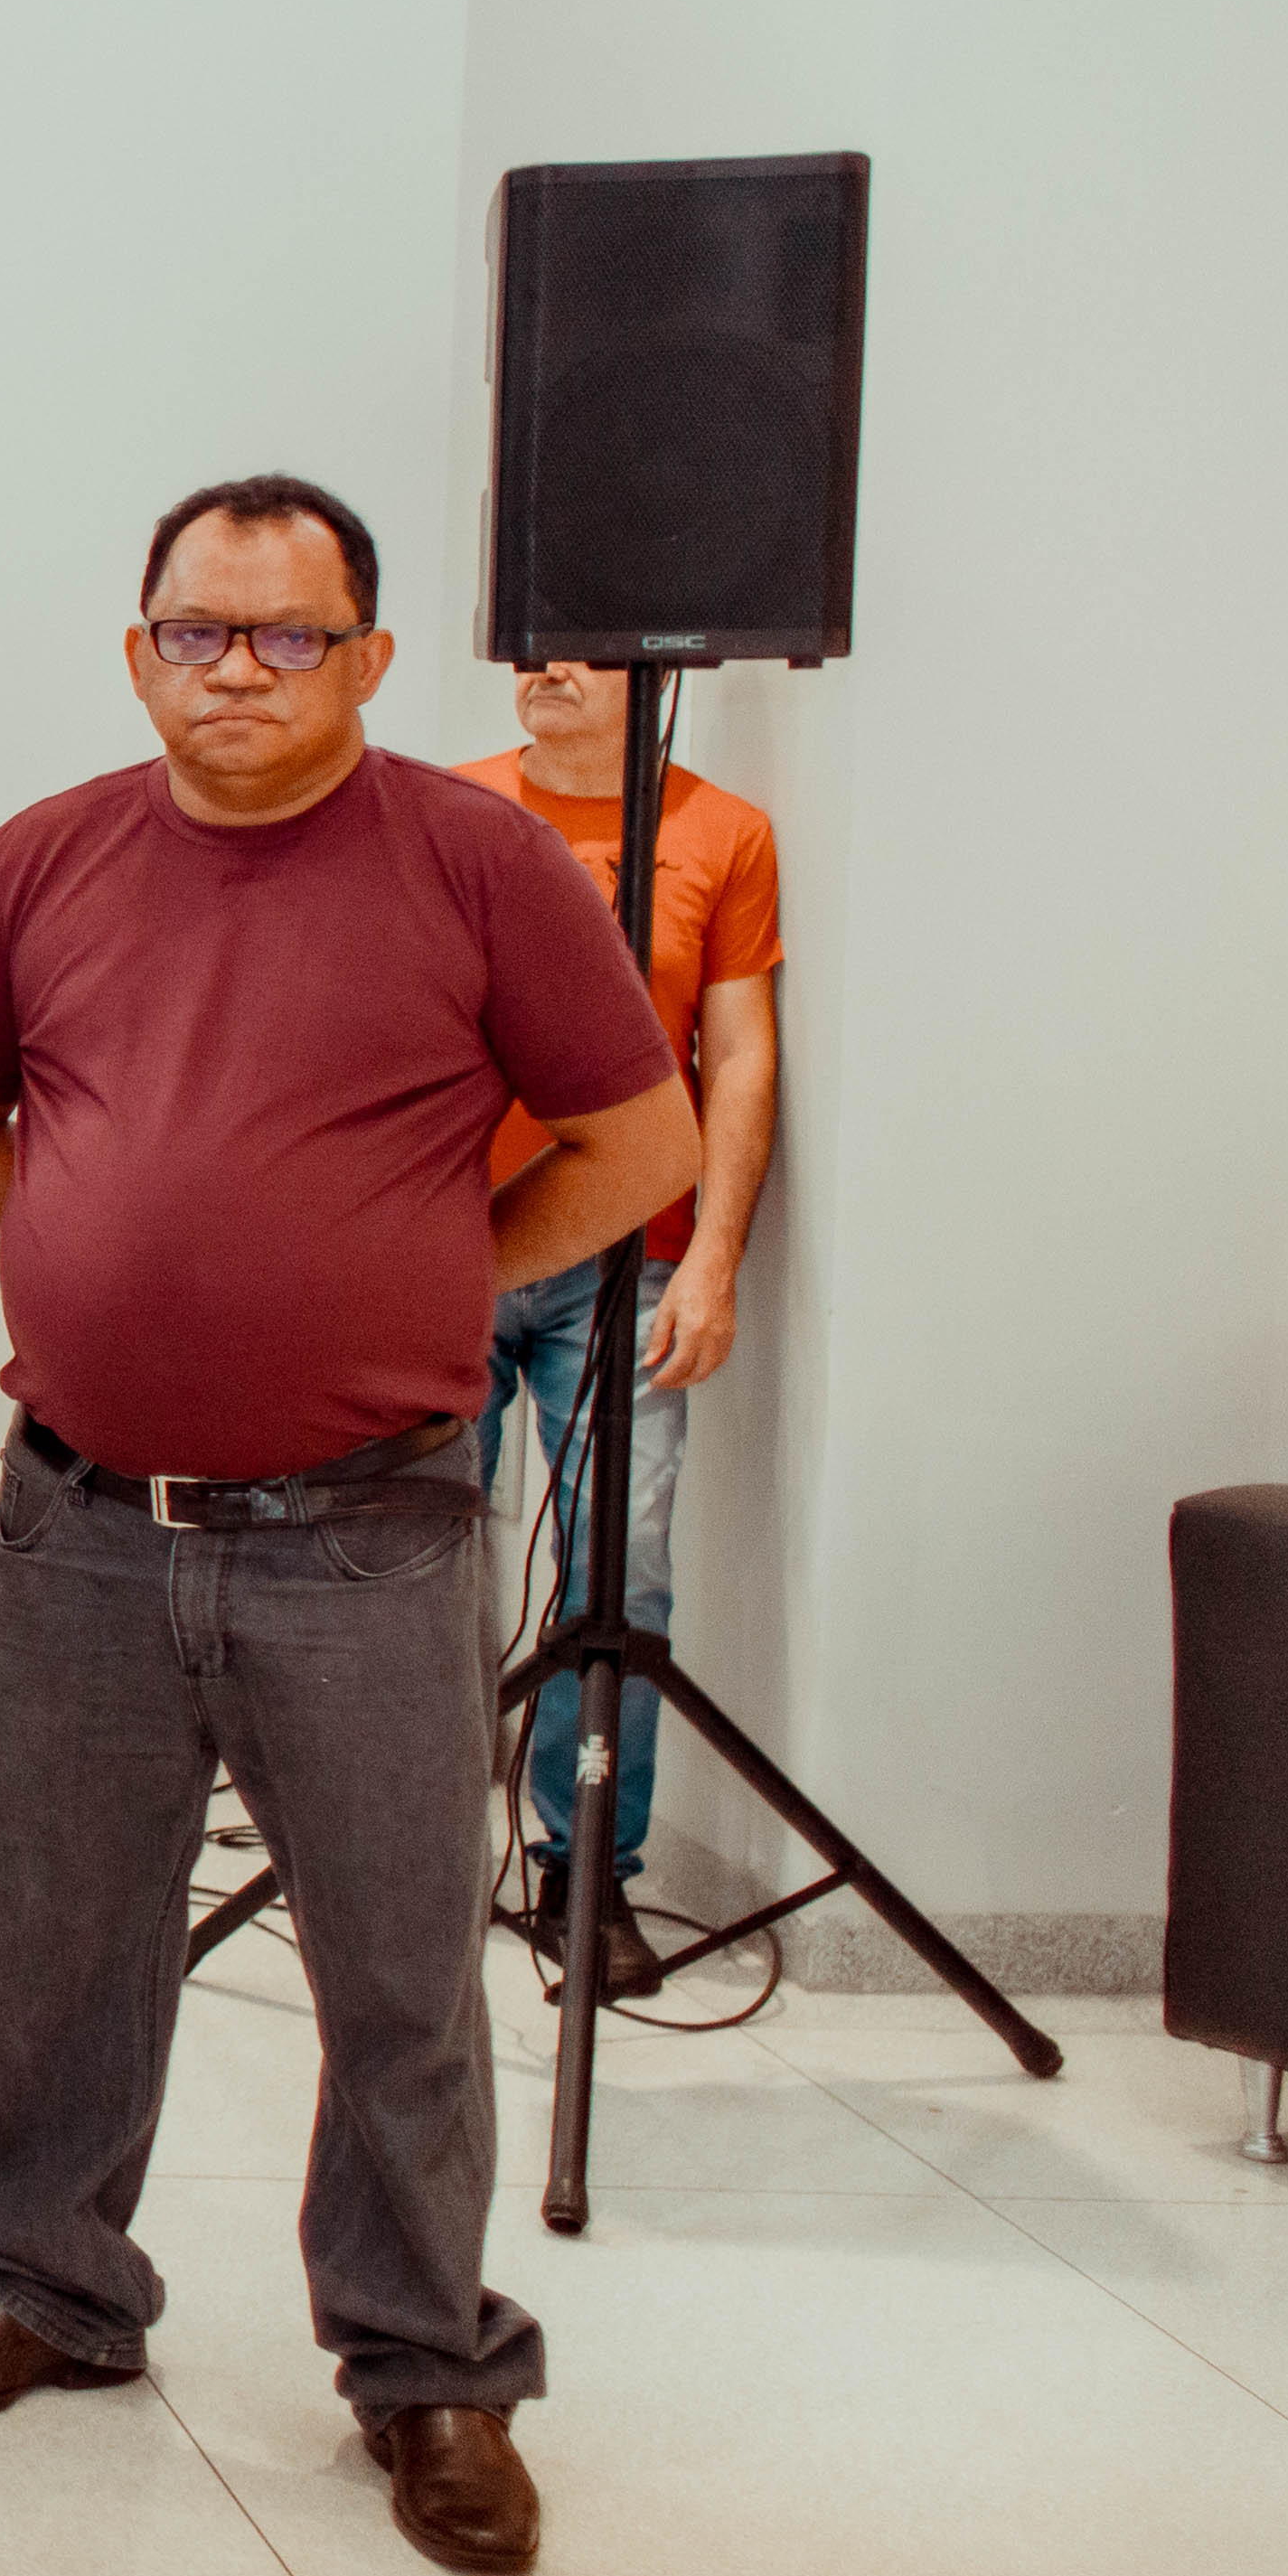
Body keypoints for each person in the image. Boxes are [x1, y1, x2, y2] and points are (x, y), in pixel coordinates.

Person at [0, 473, 694, 2576]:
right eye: (192, 630)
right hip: (78, 1524)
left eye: (283, 633)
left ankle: (424, 2367)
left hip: (364, 1538)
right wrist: (91, 1227)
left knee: (397, 1971)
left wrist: (437, 1268)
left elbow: (636, 1137)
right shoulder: (41, 856)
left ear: (368, 657)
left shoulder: (480, 863)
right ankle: (44, 2285)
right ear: (135, 647)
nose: (232, 669)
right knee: (51, 1941)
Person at [460, 662, 785, 2000]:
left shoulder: (724, 834)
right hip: (453, 1251)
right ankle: (399, 1860)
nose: (546, 668)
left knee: (623, 1573)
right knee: (408, 1565)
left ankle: (583, 1872)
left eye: (582, 649)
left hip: (632, 1264)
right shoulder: (450, 811)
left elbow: (740, 1057)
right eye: (535, 646)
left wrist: (715, 1256)